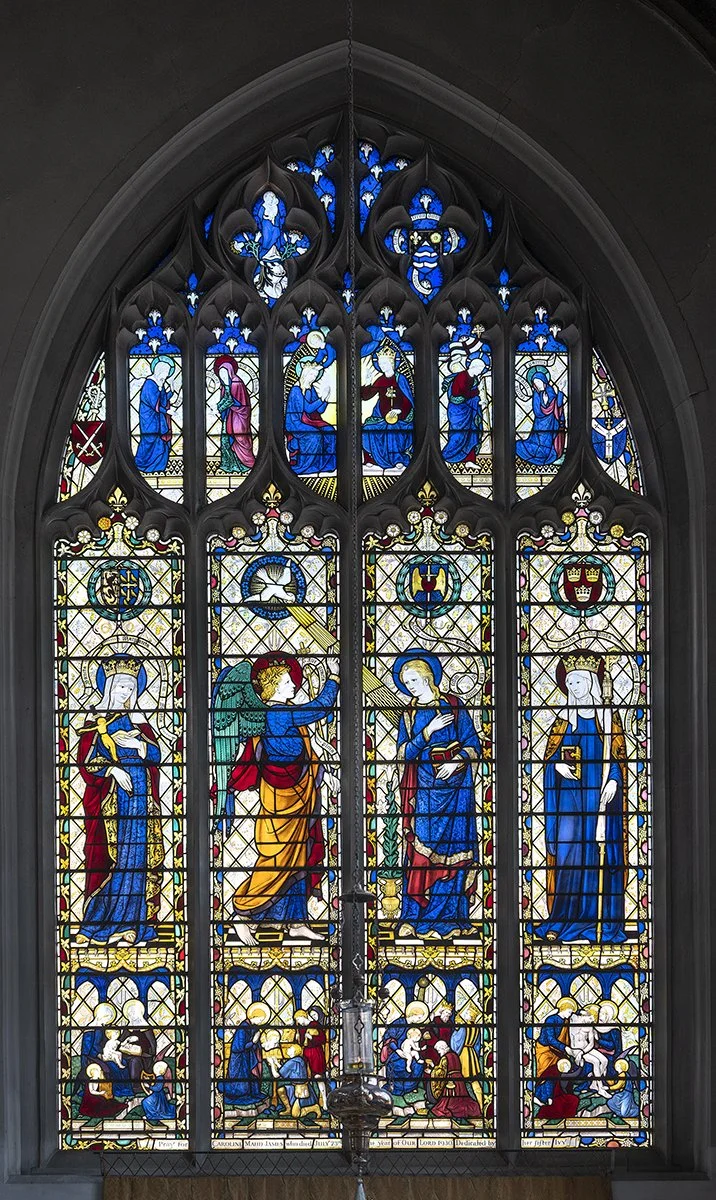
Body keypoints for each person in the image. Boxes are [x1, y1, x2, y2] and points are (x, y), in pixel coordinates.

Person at [224, 653, 340, 944]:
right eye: (287, 682)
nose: (293, 686)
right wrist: (334, 678)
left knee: (298, 856)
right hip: (281, 797)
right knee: (277, 859)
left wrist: (323, 772)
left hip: (298, 790)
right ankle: (242, 912)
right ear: (273, 688)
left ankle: (295, 921)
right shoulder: (277, 714)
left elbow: (304, 750)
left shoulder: (284, 714)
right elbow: (321, 708)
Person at [532, 651, 627, 943]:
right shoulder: (562, 724)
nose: (574, 687)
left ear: (591, 682)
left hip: (599, 802)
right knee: (569, 855)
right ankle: (563, 919)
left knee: (599, 855)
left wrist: (614, 781)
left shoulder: (609, 722)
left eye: (579, 681)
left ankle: (601, 923)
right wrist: (556, 766)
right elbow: (549, 763)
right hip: (570, 803)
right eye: (570, 683)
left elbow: (619, 761)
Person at [393, 652, 481, 938]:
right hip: (425, 791)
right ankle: (413, 916)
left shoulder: (454, 706)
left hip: (456, 790)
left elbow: (473, 744)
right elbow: (403, 753)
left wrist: (457, 761)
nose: (411, 687)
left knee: (456, 853)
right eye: (407, 683)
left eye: (415, 681)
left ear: (429, 678)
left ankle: (450, 918)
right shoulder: (409, 715)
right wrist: (427, 733)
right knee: (420, 854)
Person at [77, 658, 164, 946]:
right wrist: (112, 769)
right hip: (113, 796)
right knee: (116, 857)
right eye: (121, 686)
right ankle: (100, 922)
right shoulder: (96, 724)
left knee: (137, 856)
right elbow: (85, 762)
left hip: (139, 791)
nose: (125, 691)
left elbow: (156, 755)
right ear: (109, 687)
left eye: (131, 687)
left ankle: (133, 924)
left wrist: (138, 746)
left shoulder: (138, 720)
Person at [361, 343, 413, 469]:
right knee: (368, 427)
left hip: (401, 417)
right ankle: (372, 458)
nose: (382, 366)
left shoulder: (400, 379)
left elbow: (408, 400)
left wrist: (399, 411)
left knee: (392, 426)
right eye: (380, 363)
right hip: (380, 416)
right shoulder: (380, 380)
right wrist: (367, 381)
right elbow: (366, 396)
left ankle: (397, 458)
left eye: (384, 363)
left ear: (392, 362)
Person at [285, 355, 336, 475]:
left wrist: (326, 398)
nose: (313, 378)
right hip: (295, 422)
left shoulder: (310, 389)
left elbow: (319, 410)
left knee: (330, 431)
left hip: (309, 420)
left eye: (315, 375)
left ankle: (324, 464)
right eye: (311, 374)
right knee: (315, 435)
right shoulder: (296, 390)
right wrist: (322, 398)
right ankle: (306, 465)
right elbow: (307, 408)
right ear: (304, 373)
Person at [442, 340, 489, 464]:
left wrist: (478, 400)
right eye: (480, 369)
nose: (481, 371)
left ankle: (470, 459)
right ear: (474, 366)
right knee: (458, 435)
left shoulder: (474, 380)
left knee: (472, 433)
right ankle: (447, 456)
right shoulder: (461, 377)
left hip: (470, 411)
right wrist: (477, 398)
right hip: (459, 412)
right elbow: (458, 395)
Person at [212, 354, 255, 473]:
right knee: (226, 441)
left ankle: (243, 465)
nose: (223, 377)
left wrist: (218, 408)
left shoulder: (237, 383)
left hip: (238, 417)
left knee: (239, 439)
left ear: (230, 372)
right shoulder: (225, 386)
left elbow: (232, 401)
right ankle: (229, 465)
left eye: (224, 374)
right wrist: (219, 408)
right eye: (220, 375)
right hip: (229, 417)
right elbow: (225, 399)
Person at [515, 364, 565, 466]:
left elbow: (558, 406)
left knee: (547, 445)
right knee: (520, 445)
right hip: (539, 424)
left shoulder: (551, 392)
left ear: (544, 381)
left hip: (552, 424)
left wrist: (560, 393)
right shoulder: (536, 395)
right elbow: (537, 411)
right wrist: (544, 403)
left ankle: (547, 453)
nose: (538, 384)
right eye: (535, 383)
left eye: (539, 381)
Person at [135, 355, 176, 473]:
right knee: (149, 439)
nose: (166, 375)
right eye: (166, 372)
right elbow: (155, 405)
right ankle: (141, 464)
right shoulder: (149, 384)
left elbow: (163, 399)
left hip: (158, 419)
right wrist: (167, 411)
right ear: (159, 370)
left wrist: (172, 390)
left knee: (160, 440)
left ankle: (158, 466)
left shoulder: (160, 383)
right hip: (149, 419)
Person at [220, 1003, 266, 1109]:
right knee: (240, 1081)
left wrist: (256, 1043)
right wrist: (253, 1041)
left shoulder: (251, 1027)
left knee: (248, 1078)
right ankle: (236, 1093)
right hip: (239, 1059)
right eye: (260, 1019)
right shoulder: (243, 1028)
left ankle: (252, 1093)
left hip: (246, 1057)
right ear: (253, 1016)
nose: (260, 1022)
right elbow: (239, 1047)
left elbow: (252, 1046)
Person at [429, 1040, 482, 1120]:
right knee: (462, 1098)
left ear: (442, 1048)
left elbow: (441, 1072)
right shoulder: (455, 1055)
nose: (439, 1052)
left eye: (439, 1050)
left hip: (450, 1080)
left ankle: (455, 1111)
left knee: (448, 1103)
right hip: (459, 1079)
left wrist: (431, 1070)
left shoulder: (445, 1058)